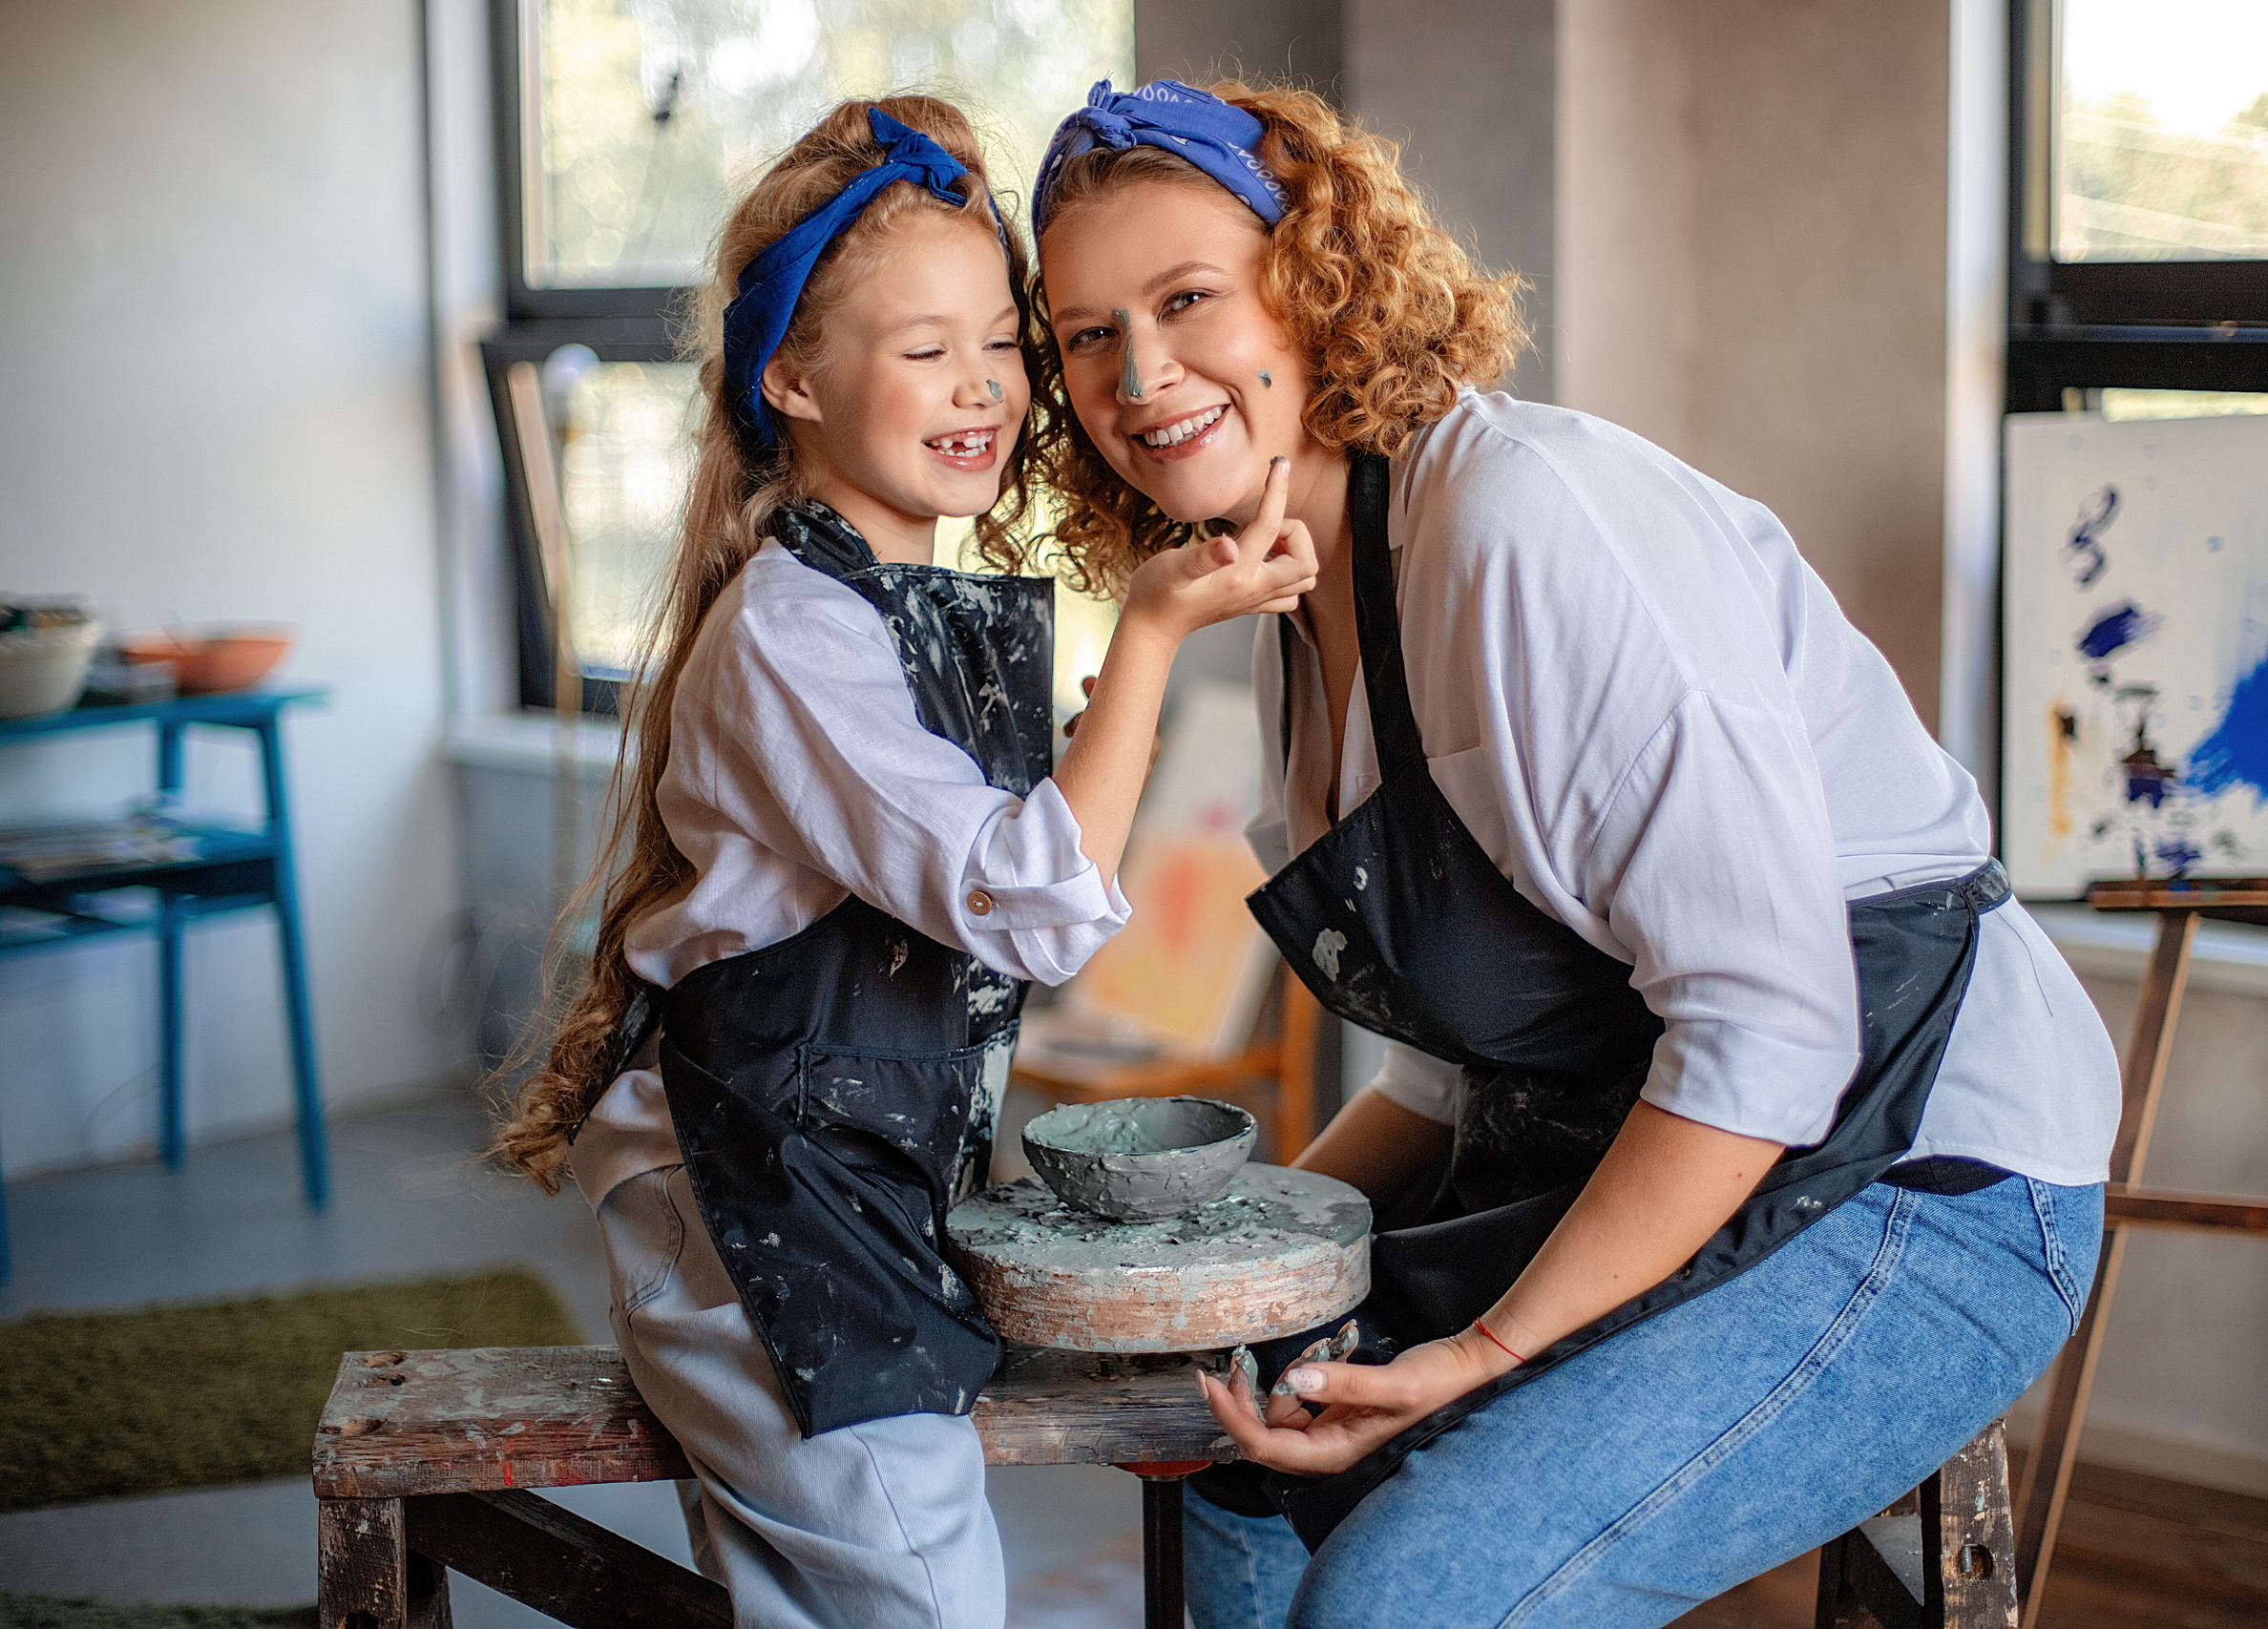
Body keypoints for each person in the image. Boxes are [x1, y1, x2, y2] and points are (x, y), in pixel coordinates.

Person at [1029, 78, 2121, 1629]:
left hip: (1922, 1173)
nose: (1139, 374)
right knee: (1228, 1449)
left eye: (1187, 297)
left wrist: (1481, 1353)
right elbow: (1455, 1066)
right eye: (1085, 335)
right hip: (1638, 1151)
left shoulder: (1522, 523)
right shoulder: (1298, 602)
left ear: (1318, 282)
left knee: (1405, 1601)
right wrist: (1220, 1268)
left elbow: (1772, 1029)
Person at [494, 94, 1316, 1629]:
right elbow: (1025, 908)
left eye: (1003, 342)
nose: (985, 387)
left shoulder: (882, 599)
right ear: (790, 378)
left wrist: (1096, 732)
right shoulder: (796, 633)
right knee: (919, 1598)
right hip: (751, 1195)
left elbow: (990, 869)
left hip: (837, 1181)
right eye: (924, 348)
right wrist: (1149, 634)